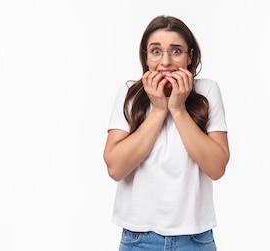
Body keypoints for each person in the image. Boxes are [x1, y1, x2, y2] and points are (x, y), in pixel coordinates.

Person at [103, 15, 230, 251]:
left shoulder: (207, 91)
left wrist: (179, 109)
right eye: (156, 51)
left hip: (195, 239)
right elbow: (115, 168)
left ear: (190, 57)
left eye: (176, 51)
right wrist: (159, 109)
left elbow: (216, 168)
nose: (166, 62)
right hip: (138, 238)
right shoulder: (130, 92)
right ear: (146, 57)